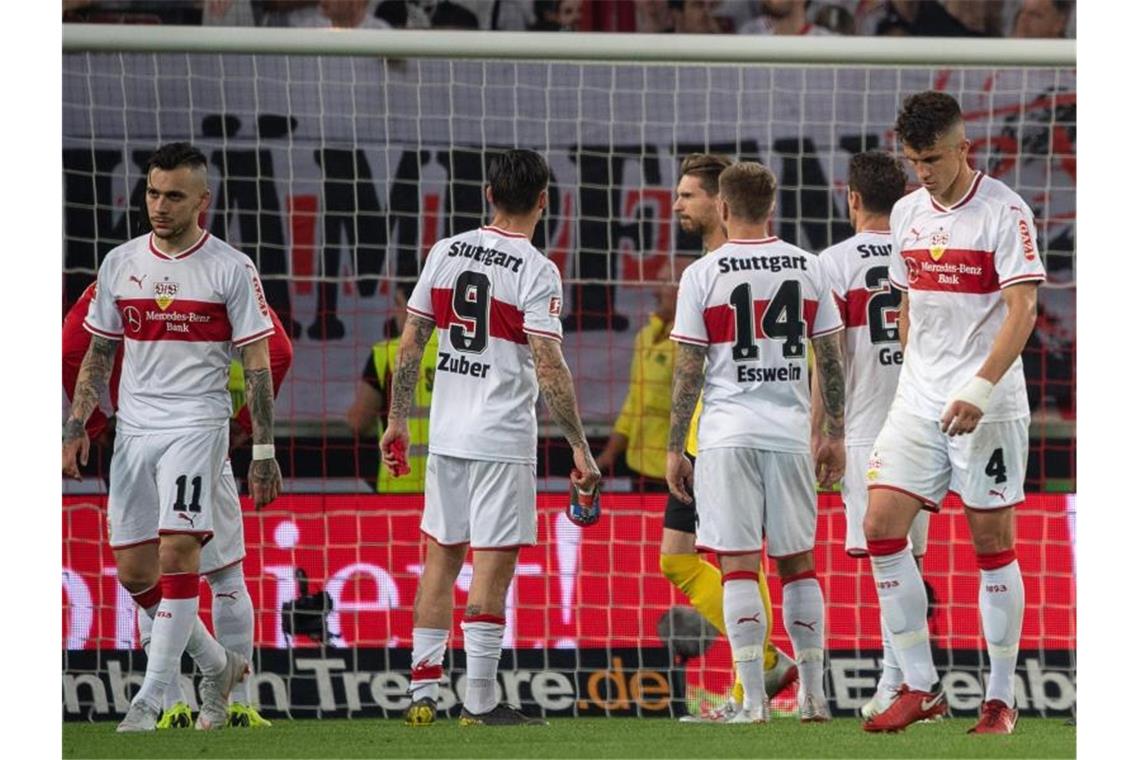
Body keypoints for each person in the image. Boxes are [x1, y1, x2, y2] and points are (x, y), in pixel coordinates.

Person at [62, 142, 282, 732]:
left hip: (197, 425)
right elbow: (97, 353)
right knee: (136, 572)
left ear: (202, 201)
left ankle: (151, 698)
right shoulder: (121, 262)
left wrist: (262, 450)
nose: (159, 205)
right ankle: (215, 664)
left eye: (174, 195)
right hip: (135, 430)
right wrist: (76, 426)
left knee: (179, 553)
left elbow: (260, 363)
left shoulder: (231, 268)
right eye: (153, 193)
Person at [381, 149, 600, 726]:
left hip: (447, 435)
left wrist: (398, 419)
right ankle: (478, 702)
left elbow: (410, 343)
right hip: (501, 440)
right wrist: (578, 445)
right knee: (490, 569)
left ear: (488, 194)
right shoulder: (537, 270)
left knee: (440, 561)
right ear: (544, 201)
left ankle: (422, 694)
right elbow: (549, 366)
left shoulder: (446, 251)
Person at [860, 91, 1045, 734]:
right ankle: (920, 685)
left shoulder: (1005, 212)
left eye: (933, 158)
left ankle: (999, 699)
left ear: (964, 148)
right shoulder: (907, 212)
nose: (922, 172)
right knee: (880, 527)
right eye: (913, 161)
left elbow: (1022, 311)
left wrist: (979, 388)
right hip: (918, 399)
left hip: (986, 404)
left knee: (991, 544)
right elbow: (908, 302)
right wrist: (919, 365)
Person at [666, 161, 847, 723]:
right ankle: (815, 698)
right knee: (799, 565)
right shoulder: (808, 266)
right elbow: (832, 361)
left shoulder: (704, 275)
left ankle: (755, 703)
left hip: (725, 436)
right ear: (773, 208)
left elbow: (688, 370)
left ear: (723, 207)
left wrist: (676, 445)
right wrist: (833, 433)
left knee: (740, 564)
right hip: (790, 433)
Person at [653, 154, 796, 722]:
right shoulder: (710, 267)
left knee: (725, 557)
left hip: (724, 434)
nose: (678, 204)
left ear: (722, 203)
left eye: (689, 194)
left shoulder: (720, 271)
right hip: (709, 432)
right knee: (696, 559)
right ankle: (758, 669)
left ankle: (754, 676)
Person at [811, 150, 930, 721]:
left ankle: (897, 682)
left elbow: (827, 360)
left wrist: (824, 432)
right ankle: (904, 680)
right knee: (908, 559)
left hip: (863, 427)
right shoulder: (922, 252)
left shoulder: (831, 263)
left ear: (851, 198)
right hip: (919, 420)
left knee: (888, 560)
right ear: (904, 194)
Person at [345, 283, 439, 492]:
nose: (394, 312)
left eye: (398, 304)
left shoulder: (386, 354)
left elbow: (358, 421)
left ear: (414, 307)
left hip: (400, 485)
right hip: (450, 486)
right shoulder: (458, 353)